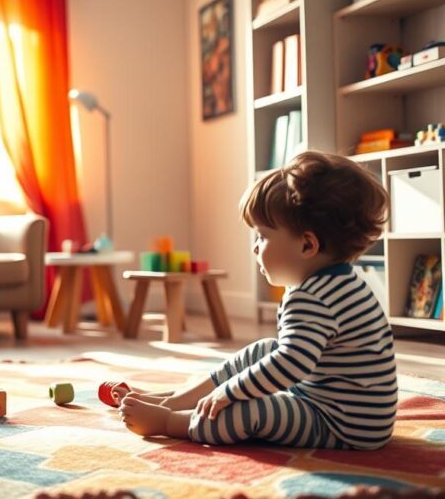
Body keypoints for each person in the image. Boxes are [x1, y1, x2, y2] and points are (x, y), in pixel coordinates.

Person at [116, 150, 396, 450]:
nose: (255, 247)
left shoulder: (312, 298)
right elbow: (292, 357)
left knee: (250, 410)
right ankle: (176, 401)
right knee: (263, 350)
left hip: (340, 425)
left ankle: (171, 422)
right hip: (357, 415)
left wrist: (230, 392)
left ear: (307, 244)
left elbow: (291, 364)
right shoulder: (342, 282)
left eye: (262, 236)